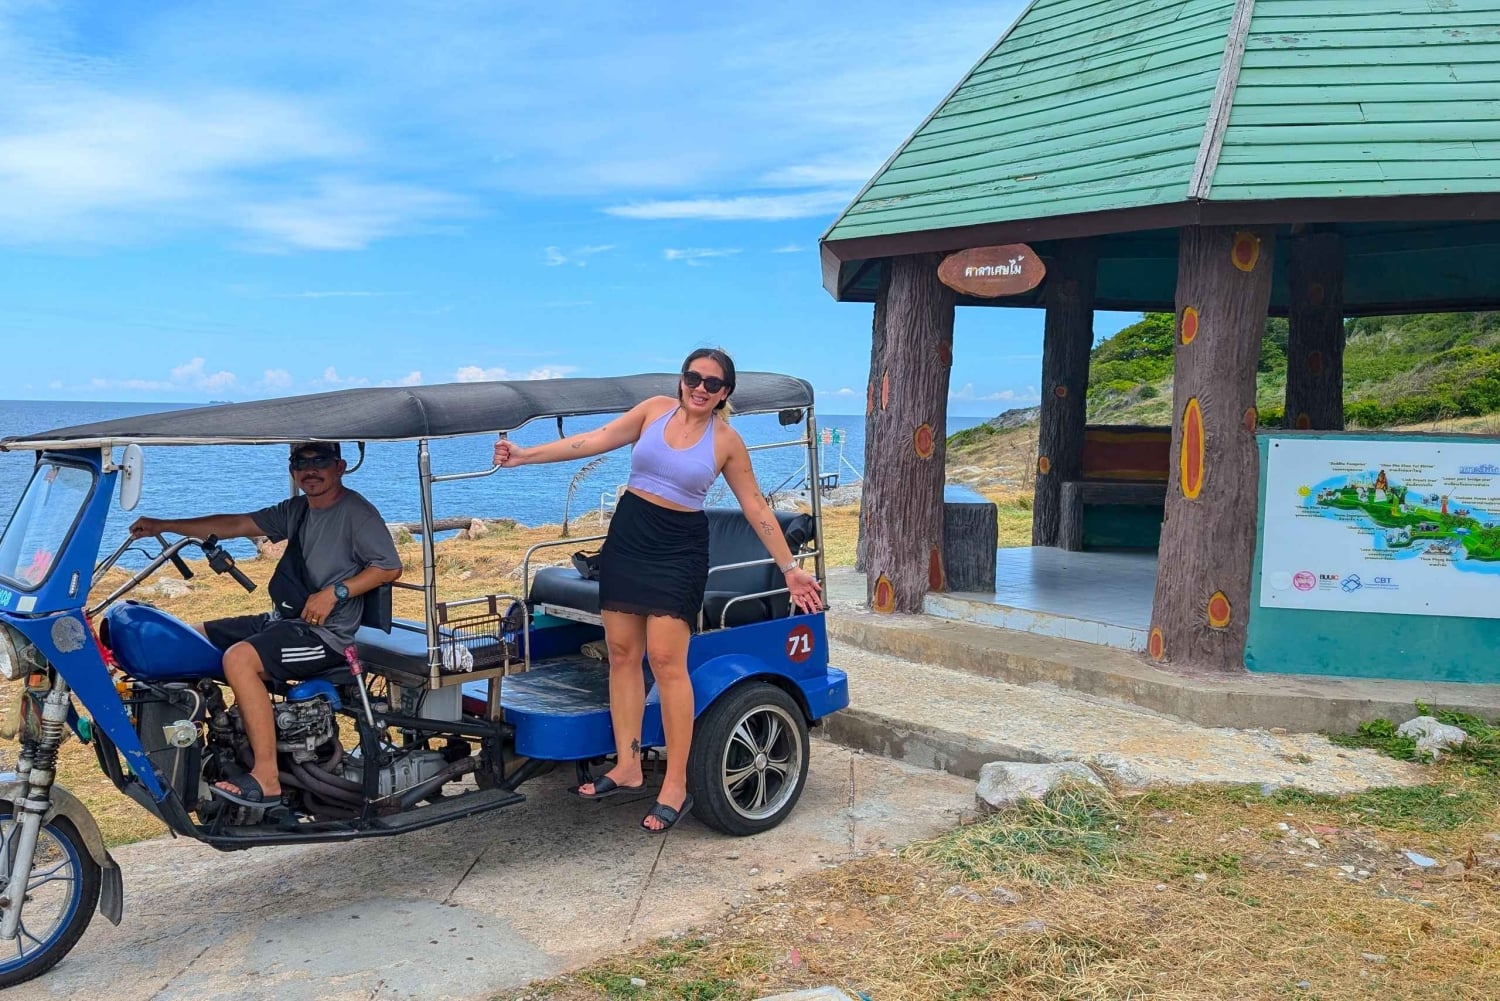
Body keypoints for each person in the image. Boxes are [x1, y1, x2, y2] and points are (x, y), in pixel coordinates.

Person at [493, 348, 823, 832]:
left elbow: (754, 505)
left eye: (713, 383)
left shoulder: (726, 441)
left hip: (679, 550)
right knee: (623, 653)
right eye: (694, 377)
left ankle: (675, 783)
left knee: (668, 664)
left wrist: (790, 567)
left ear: (725, 393)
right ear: (682, 379)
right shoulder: (652, 410)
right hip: (629, 537)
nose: (701, 388)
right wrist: (524, 456)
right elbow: (593, 441)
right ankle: (627, 765)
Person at [128, 441, 403, 808]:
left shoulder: (356, 513)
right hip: (286, 621)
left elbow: (389, 567)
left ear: (339, 466)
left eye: (320, 461)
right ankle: (199, 749)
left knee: (240, 659)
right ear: (292, 470)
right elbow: (235, 524)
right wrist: (163, 525)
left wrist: (335, 592)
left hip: (325, 635)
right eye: (300, 462)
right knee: (186, 637)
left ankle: (267, 776)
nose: (310, 470)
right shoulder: (298, 510)